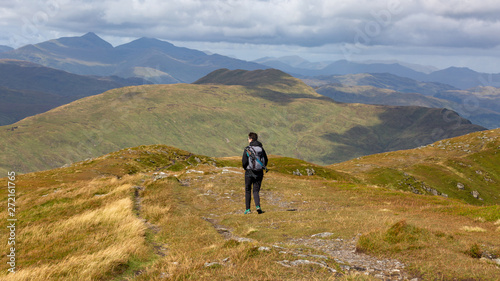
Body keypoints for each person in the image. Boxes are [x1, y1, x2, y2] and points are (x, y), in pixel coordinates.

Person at [242, 132, 268, 214]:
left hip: (249, 171)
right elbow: (266, 160)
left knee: (248, 190)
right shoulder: (261, 149)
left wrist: (245, 168)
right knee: (256, 190)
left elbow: (244, 161)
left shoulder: (248, 148)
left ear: (250, 139)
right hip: (259, 172)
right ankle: (258, 206)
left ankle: (248, 209)